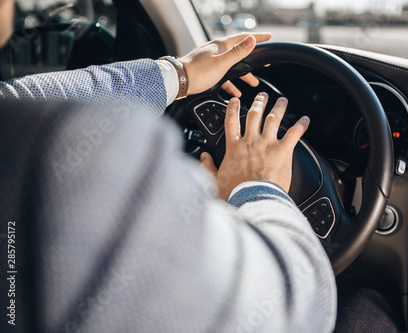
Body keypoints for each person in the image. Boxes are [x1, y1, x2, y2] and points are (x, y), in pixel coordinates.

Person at [0, 0, 337, 332]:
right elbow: (300, 312)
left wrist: (181, 72)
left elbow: (13, 100)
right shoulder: (51, 158)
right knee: (369, 307)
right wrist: (255, 187)